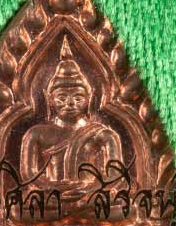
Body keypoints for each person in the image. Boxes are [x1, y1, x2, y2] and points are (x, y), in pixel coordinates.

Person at [20, 36, 122, 210]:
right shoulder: (36, 133)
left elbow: (115, 174)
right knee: (23, 208)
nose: (70, 103)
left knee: (119, 206)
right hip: (51, 198)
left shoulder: (104, 134)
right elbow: (29, 174)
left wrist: (88, 188)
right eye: (62, 97)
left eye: (78, 97)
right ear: (49, 99)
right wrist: (52, 188)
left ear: (89, 98)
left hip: (90, 197)